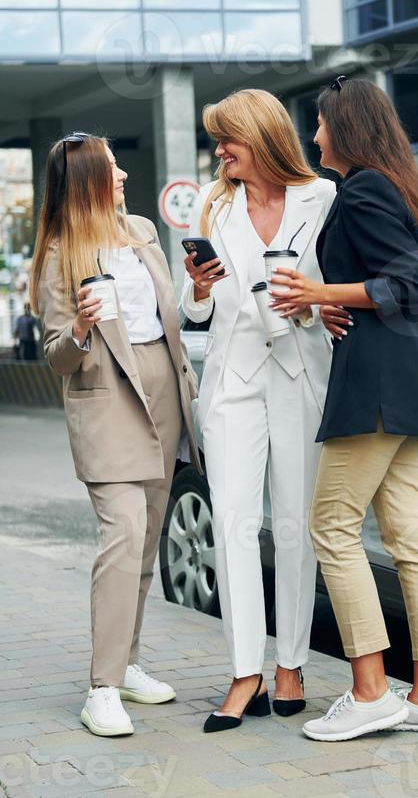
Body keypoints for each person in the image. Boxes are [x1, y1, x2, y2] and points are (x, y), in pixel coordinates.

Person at [268, 77, 418, 742]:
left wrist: (315, 290)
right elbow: (392, 286)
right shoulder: (388, 183)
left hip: (378, 388)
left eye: (320, 124)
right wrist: (330, 303)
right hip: (405, 382)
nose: (313, 136)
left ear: (344, 129)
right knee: (409, 537)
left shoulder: (365, 188)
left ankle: (371, 691)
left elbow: (406, 286)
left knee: (330, 526)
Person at [30, 132, 201, 738]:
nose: (124, 175)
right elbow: (56, 357)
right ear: (86, 181)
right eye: (111, 168)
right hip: (108, 404)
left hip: (165, 394)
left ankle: (127, 663)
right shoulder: (58, 254)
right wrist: (77, 326)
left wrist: (198, 292)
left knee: (148, 539)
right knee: (123, 535)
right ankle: (101, 687)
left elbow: (169, 317)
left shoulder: (144, 233)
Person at [181, 89, 336, 732]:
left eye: (228, 139)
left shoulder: (321, 198)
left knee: (298, 524)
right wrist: (197, 288)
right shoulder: (214, 204)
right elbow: (193, 309)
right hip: (233, 377)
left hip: (300, 369)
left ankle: (292, 664)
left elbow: (336, 287)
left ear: (262, 137)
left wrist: (316, 302)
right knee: (237, 527)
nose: (220, 151)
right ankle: (246, 670)